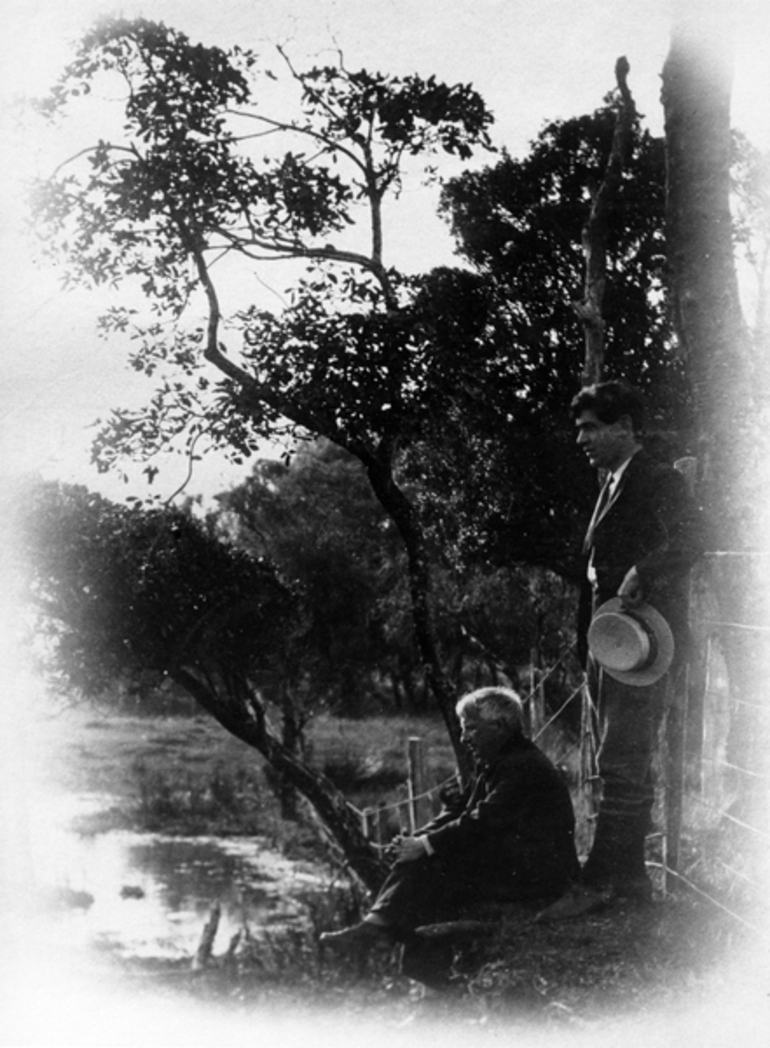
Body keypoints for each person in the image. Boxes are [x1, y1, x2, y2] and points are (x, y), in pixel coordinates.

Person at [539, 379, 705, 921]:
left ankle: (599, 882)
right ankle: (629, 881)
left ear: (625, 427)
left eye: (591, 428)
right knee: (622, 760)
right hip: (611, 641)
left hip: (642, 643)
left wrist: (642, 571)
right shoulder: (611, 482)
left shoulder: (656, 479)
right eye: (579, 429)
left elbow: (691, 538)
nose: (581, 439)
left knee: (623, 761)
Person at [320, 686, 579, 989]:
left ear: (500, 726)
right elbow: (458, 810)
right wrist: (418, 839)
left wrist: (426, 845)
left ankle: (394, 942)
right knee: (428, 859)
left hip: (538, 874)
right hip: (516, 862)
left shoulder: (523, 766)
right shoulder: (498, 760)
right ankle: (395, 942)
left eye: (470, 729)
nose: (464, 738)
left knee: (434, 862)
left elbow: (483, 818)